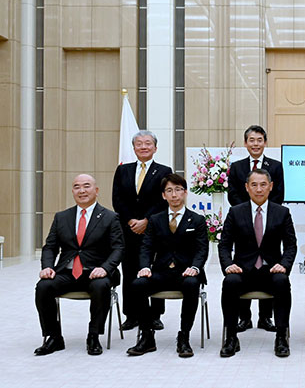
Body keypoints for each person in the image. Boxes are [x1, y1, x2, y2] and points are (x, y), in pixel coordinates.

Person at [34, 174, 124, 356]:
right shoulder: (62, 217)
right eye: (77, 187)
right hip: (66, 272)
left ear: (96, 191)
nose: (81, 190)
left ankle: (93, 336)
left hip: (96, 272)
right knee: (43, 287)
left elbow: (118, 248)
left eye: (86, 186)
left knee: (101, 286)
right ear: (73, 191)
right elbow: (50, 247)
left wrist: (105, 268)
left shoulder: (110, 217)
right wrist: (47, 267)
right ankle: (54, 337)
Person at [126, 174, 209, 358]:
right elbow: (146, 247)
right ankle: (147, 336)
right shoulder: (155, 220)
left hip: (186, 272)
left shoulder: (197, 220)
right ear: (163, 195)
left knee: (191, 284)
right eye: (169, 191)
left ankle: (184, 336)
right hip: (161, 272)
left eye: (178, 190)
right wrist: (145, 266)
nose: (174, 195)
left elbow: (202, 249)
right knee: (137, 285)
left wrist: (195, 268)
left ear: (185, 192)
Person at [219, 169, 297, 358]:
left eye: (263, 184)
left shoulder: (282, 212)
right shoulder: (236, 212)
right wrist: (228, 265)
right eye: (254, 185)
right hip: (243, 270)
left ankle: (281, 337)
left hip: (271, 270)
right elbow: (224, 245)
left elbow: (290, 245)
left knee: (282, 281)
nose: (259, 189)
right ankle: (231, 337)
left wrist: (284, 265)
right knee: (230, 282)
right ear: (246, 187)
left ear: (271, 187)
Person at [112, 130, 172, 331]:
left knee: (154, 269)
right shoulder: (123, 170)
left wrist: (146, 220)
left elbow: (163, 199)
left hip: (154, 228)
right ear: (134, 147)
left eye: (148, 143)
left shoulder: (164, 171)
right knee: (129, 270)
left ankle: (155, 315)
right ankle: (131, 315)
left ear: (155, 148)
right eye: (139, 144)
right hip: (128, 230)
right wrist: (131, 220)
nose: (144, 147)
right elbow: (117, 199)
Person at [227, 125, 283, 334]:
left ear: (265, 143)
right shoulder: (237, 166)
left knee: (269, 261)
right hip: (243, 224)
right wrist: (248, 211)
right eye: (251, 140)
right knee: (244, 263)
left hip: (268, 223)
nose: (256, 144)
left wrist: (262, 208)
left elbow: (278, 194)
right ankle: (245, 318)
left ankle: (265, 317)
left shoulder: (275, 166)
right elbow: (232, 193)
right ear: (245, 143)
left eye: (259, 140)